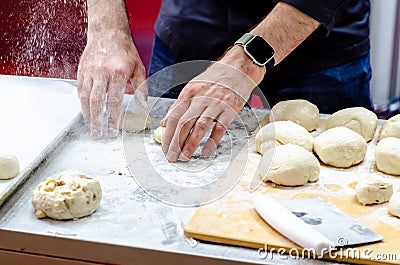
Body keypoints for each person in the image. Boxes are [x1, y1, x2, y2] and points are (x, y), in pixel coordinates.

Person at [78, 0, 373, 162]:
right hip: (195, 22)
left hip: (314, 37)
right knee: (161, 170)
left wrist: (247, 60)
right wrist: (106, 28)